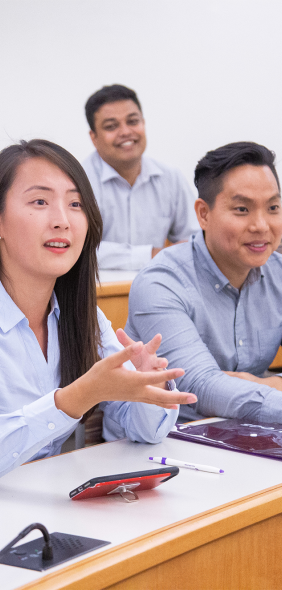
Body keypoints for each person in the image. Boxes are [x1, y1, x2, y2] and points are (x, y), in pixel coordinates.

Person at [0, 139, 196, 493]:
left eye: (75, 204)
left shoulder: (81, 314)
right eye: (40, 202)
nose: (62, 221)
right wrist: (75, 398)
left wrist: (148, 387)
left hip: (36, 504)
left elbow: (146, 432)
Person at [125, 141, 282, 423]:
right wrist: (262, 384)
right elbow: (201, 388)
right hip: (167, 439)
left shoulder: (278, 273)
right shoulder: (160, 283)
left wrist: (260, 383)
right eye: (242, 210)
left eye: (273, 207)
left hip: (250, 431)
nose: (262, 225)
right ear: (203, 214)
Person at [83, 84, 197, 270]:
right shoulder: (77, 182)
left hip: (162, 289)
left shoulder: (170, 178)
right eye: (111, 126)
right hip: (96, 294)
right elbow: (79, 249)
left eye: (133, 121)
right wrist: (153, 255)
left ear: (143, 123)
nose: (126, 132)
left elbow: (197, 240)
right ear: (93, 137)